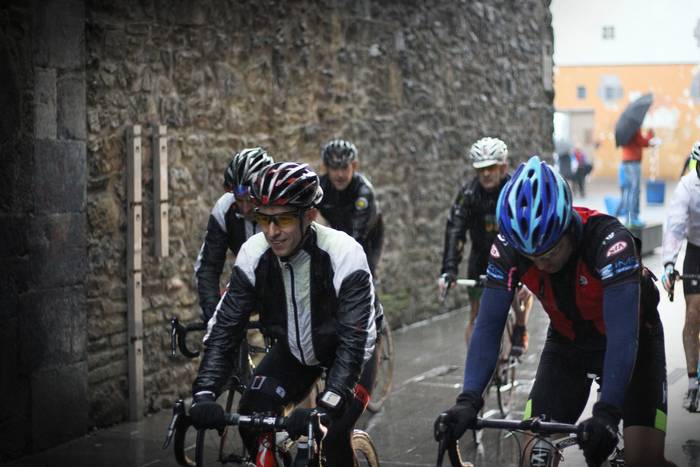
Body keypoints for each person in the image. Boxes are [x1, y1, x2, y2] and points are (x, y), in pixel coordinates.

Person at [436, 156, 675, 467]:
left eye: (550, 252)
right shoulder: (510, 248)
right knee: (534, 456)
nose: (541, 263)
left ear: (568, 229)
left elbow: (623, 336)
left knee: (644, 460)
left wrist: (607, 412)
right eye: (531, 257)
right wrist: (468, 400)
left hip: (634, 342)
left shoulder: (609, 242)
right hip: (568, 346)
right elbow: (488, 325)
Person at [189, 162, 379, 467]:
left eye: (284, 219)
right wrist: (205, 391)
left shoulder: (343, 252)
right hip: (295, 350)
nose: (271, 231)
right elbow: (225, 328)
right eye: (263, 218)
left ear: (310, 215)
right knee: (251, 416)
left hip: (350, 353)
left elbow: (354, 342)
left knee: (333, 435)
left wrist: (328, 405)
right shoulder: (254, 254)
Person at [438, 137, 532, 350]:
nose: (486, 174)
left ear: (503, 167)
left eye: (491, 168)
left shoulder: (515, 191)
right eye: (481, 169)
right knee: (476, 316)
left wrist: (529, 270)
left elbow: (527, 229)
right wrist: (449, 270)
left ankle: (520, 326)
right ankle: (476, 360)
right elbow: (455, 230)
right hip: (481, 258)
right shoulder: (468, 194)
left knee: (521, 295)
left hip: (513, 255)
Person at [194, 147, 274, 323]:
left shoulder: (279, 207)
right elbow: (208, 266)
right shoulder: (225, 208)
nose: (245, 208)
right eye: (239, 199)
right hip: (249, 284)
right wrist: (212, 313)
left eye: (251, 200)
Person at [661, 140, 700, 412]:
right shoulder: (688, 186)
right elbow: (675, 227)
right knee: (693, 313)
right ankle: (692, 383)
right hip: (697, 250)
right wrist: (669, 263)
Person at [318, 139, 384, 276]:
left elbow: (357, 235)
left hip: (367, 237)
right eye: (334, 168)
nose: (340, 174)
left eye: (344, 168)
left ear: (354, 166)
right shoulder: (321, 187)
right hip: (340, 230)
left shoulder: (363, 192)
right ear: (326, 168)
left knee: (362, 272)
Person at [620, 128, 655, 228]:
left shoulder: (624, 130)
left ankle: (628, 217)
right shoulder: (634, 128)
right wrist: (650, 135)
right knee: (635, 190)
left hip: (625, 162)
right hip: (633, 162)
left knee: (629, 190)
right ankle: (633, 218)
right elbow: (642, 142)